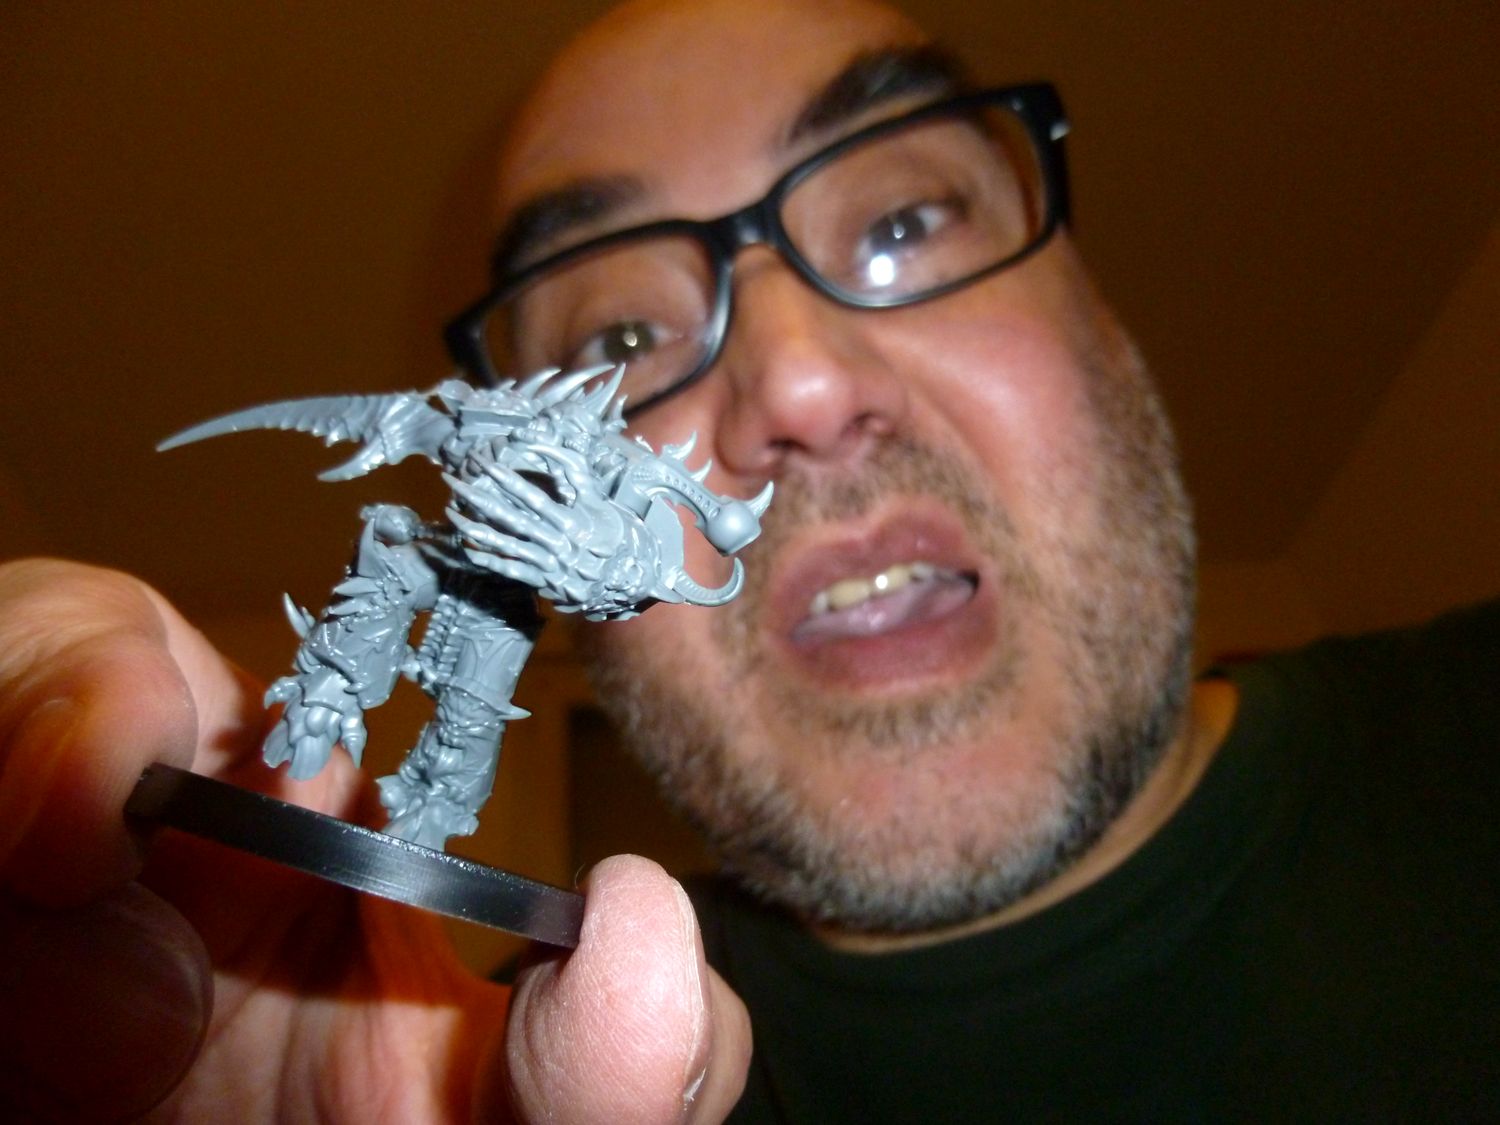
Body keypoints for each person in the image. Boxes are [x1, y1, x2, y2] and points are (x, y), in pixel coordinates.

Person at [0, 0, 1493, 1121]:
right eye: (623, 337)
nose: (797, 385)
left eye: (903, 222)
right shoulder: (467, 1074)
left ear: (1103, 312)